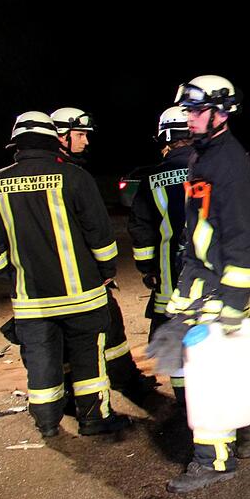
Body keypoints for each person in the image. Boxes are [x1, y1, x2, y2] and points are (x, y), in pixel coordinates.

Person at [148, 75, 250, 493]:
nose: (190, 118)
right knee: (207, 367)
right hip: (201, 283)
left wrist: (233, 304)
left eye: (197, 110)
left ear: (222, 112)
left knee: (207, 377)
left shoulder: (229, 163)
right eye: (187, 110)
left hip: (216, 288)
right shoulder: (205, 157)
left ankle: (214, 460)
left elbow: (243, 238)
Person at [0, 112, 131, 437]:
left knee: (41, 360)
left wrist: (12, 279)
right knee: (87, 358)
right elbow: (99, 234)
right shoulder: (73, 176)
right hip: (81, 294)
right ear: (52, 139)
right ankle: (94, 419)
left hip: (31, 300)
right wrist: (106, 270)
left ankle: (47, 423)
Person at [51, 106, 155, 402]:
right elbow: (95, 229)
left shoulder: (42, 173)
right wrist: (106, 270)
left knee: (70, 337)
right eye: (80, 134)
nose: (85, 141)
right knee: (104, 325)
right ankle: (122, 381)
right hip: (80, 275)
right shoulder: (70, 175)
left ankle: (74, 391)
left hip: (49, 278)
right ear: (60, 135)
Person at [128, 106, 193, 406]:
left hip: (171, 278)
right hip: (216, 278)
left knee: (178, 344)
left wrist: (147, 268)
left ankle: (185, 404)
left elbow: (141, 230)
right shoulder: (214, 167)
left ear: (166, 137)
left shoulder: (152, 179)